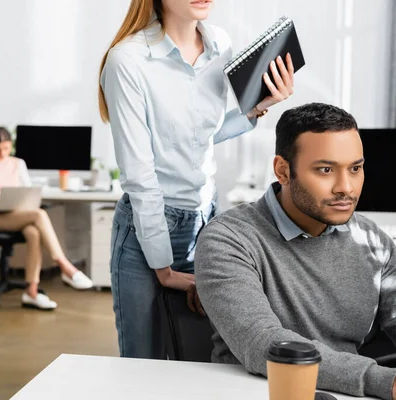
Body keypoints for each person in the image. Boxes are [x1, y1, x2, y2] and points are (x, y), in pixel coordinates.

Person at [99, 0, 295, 359]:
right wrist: (163, 269)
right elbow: (141, 177)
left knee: (206, 356)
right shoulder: (127, 61)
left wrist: (256, 107)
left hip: (207, 221)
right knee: (144, 362)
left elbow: (201, 137)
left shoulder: (220, 45)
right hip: (148, 228)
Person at [195, 103, 396, 400]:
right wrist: (383, 380)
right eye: (325, 170)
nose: (346, 187)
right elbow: (261, 342)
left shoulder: (373, 241)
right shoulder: (229, 238)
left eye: (355, 168)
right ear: (283, 171)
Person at [0, 127, 93, 310]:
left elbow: (28, 192)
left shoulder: (18, 163)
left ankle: (31, 292)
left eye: (6, 148)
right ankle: (65, 265)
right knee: (39, 214)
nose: (2, 153)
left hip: (17, 215)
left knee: (34, 233)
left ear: (11, 145)